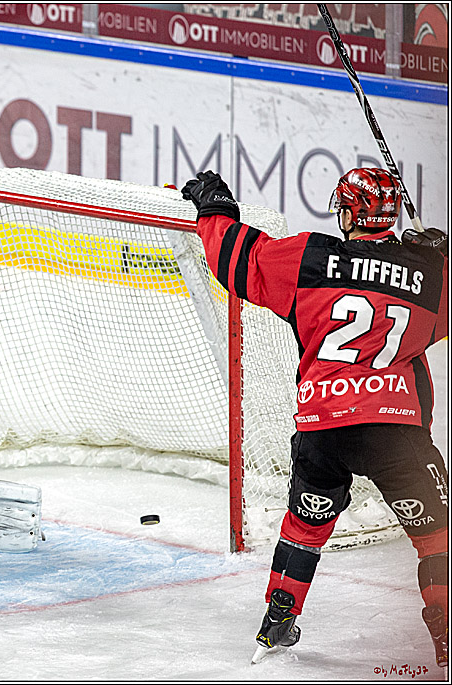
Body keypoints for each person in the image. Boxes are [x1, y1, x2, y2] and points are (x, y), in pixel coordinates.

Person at [181, 168, 448, 668]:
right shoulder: (429, 273)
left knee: (303, 528)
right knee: (438, 535)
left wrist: (216, 209)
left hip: (323, 426)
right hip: (396, 428)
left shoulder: (309, 257)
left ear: (347, 213)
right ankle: (445, 632)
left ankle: (276, 621)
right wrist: (440, 255)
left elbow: (237, 259)